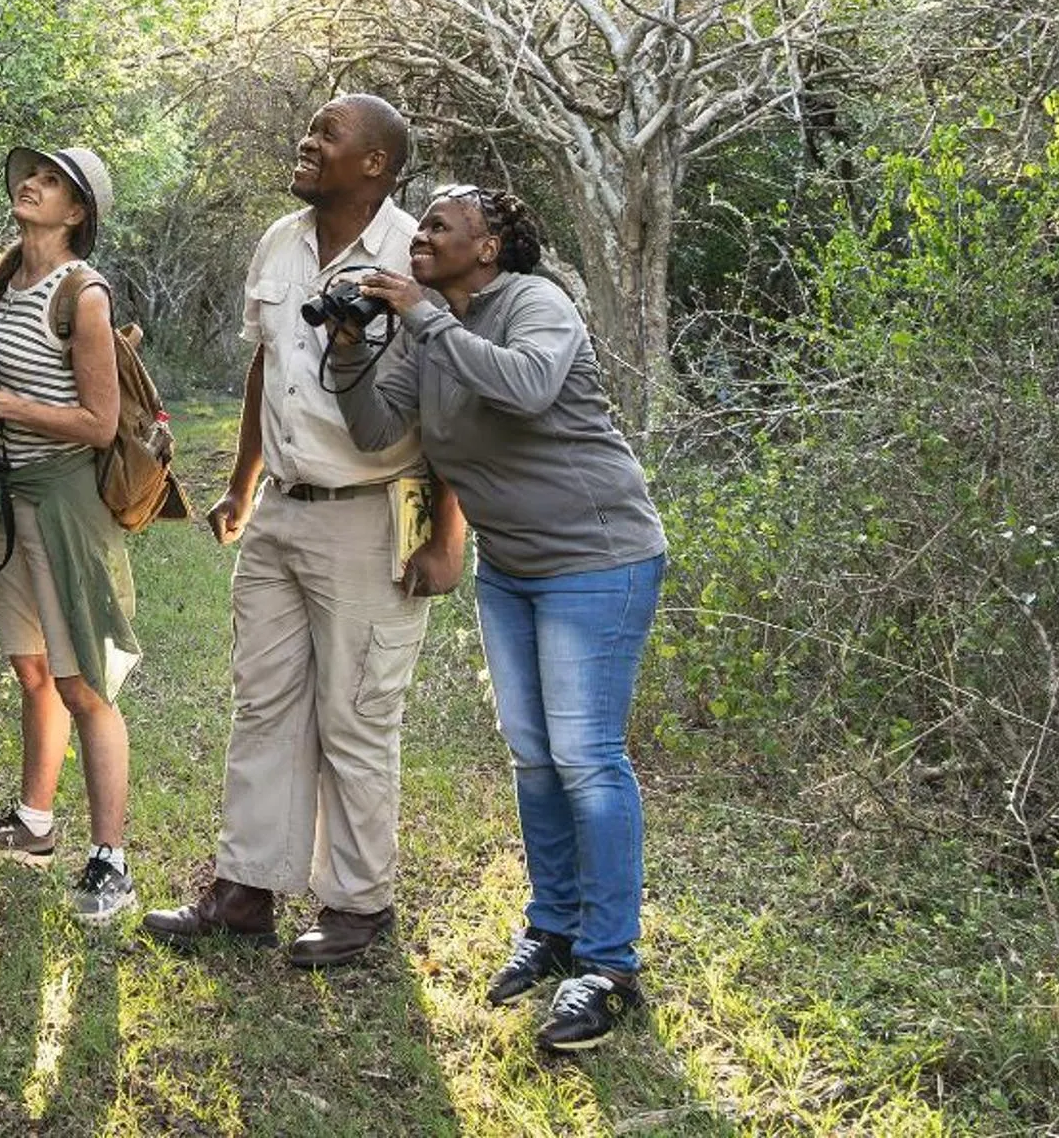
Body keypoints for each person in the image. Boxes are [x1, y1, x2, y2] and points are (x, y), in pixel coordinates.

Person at [327, 183, 668, 1052]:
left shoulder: (534, 302)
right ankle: (552, 931)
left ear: (487, 247)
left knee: (587, 759)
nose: (418, 239)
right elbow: (373, 427)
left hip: (597, 557)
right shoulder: (422, 322)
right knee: (532, 759)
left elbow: (525, 387)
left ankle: (609, 965)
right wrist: (346, 344)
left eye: (437, 226)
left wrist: (427, 320)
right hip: (510, 567)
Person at [141, 94, 464, 968]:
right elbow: (265, 366)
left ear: (375, 163)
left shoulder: (418, 253)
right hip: (282, 508)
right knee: (263, 701)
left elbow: (452, 406)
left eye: (328, 134)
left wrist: (446, 534)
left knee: (356, 711)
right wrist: (242, 484)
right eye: (310, 128)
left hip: (374, 510)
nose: (306, 141)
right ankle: (246, 889)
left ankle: (358, 905)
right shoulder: (280, 240)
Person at [0, 144, 143, 923]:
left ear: (78, 213)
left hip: (64, 500)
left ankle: (109, 863)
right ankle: (32, 824)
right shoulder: (6, 286)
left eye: (52, 181)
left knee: (82, 684)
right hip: (7, 493)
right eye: (30, 175)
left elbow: (98, 425)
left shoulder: (81, 292)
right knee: (32, 673)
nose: (30, 184)